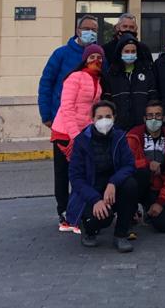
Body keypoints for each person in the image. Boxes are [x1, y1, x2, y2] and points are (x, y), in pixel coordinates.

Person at [39, 15, 100, 231]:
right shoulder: (61, 54)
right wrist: (46, 113)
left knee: (82, 172)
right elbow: (46, 83)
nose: (90, 32)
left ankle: (80, 210)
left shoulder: (97, 59)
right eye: (87, 28)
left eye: (94, 29)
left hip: (87, 129)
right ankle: (64, 211)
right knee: (63, 172)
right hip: (64, 127)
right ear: (77, 29)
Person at [67, 100, 137, 252]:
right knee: (101, 219)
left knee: (130, 184)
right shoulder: (81, 141)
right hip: (91, 191)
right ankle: (88, 230)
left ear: (114, 117)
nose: (104, 120)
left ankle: (121, 235)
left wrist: (113, 183)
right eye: (99, 117)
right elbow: (76, 177)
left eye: (108, 116)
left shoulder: (119, 137)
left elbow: (129, 165)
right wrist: (95, 199)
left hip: (112, 189)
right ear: (92, 119)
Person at [126, 100, 165, 234]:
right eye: (150, 115)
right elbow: (126, 164)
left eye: (158, 115)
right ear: (144, 118)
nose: (154, 119)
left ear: (163, 118)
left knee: (164, 226)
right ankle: (129, 212)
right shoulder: (133, 136)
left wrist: (161, 201)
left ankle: (150, 209)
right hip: (138, 184)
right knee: (140, 173)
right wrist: (146, 164)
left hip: (159, 188)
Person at [51, 44, 105, 161]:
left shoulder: (98, 80)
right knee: (63, 176)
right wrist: (75, 135)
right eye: (92, 57)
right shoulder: (75, 77)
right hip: (65, 133)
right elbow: (67, 107)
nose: (96, 60)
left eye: (99, 57)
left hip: (84, 133)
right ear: (85, 60)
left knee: (80, 175)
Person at [104, 35, 158, 131]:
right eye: (127, 51)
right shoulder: (112, 74)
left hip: (142, 126)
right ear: (120, 52)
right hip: (118, 127)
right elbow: (107, 101)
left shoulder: (146, 72)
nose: (130, 54)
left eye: (133, 51)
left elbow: (153, 99)